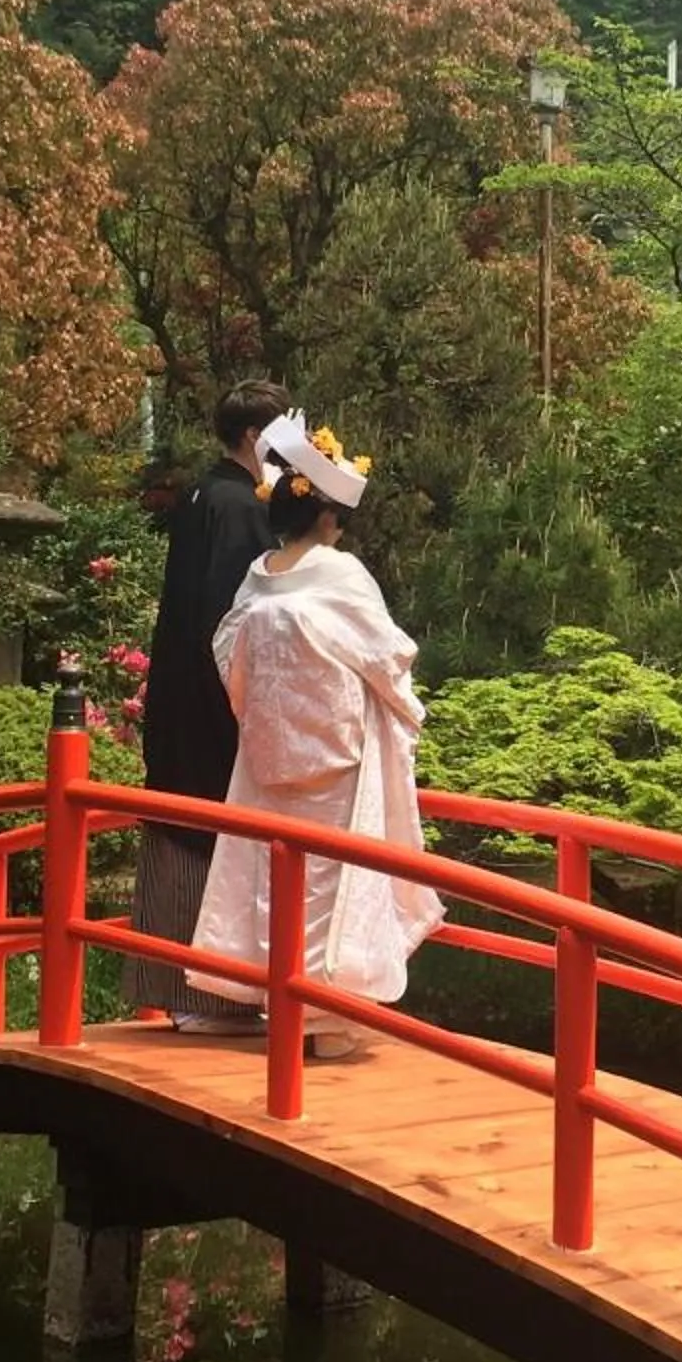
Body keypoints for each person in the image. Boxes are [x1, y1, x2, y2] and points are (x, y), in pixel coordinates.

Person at [190, 412, 444, 1059]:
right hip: (338, 758)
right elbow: (388, 656)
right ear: (328, 515)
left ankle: (283, 1006)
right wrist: (403, 709)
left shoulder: (258, 576)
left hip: (270, 756)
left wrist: (264, 717)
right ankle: (329, 1019)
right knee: (333, 883)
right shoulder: (341, 575)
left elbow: (229, 655)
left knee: (275, 883)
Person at [130, 378, 288, 1031]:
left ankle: (179, 988)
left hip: (179, 694)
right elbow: (232, 624)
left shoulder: (202, 494)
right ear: (254, 435)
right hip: (213, 700)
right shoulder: (242, 507)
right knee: (217, 835)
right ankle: (215, 995)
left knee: (183, 823)